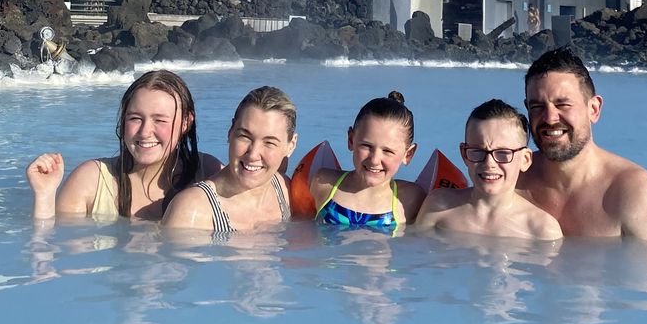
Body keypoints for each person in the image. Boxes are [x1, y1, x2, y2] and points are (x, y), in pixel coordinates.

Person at [518, 47, 647, 244]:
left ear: (594, 109)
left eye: (563, 105)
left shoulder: (635, 193)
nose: (550, 118)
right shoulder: (512, 180)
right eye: (537, 107)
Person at [27, 70, 221, 221]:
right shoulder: (90, 181)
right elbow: (49, 247)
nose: (145, 132)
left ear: (186, 122)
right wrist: (44, 195)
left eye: (160, 120)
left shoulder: (209, 173)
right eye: (135, 118)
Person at [414, 99, 562, 240]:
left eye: (503, 153)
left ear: (525, 159)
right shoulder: (438, 206)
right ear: (464, 154)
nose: (489, 163)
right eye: (477, 151)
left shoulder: (542, 230)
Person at [162, 86, 297, 232]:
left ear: (291, 146)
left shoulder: (287, 192)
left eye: (269, 143)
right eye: (244, 136)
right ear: (230, 132)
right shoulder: (192, 210)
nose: (253, 154)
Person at [308, 91, 426, 232]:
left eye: (387, 151)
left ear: (408, 154)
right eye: (366, 146)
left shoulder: (411, 199)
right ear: (351, 140)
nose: (374, 160)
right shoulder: (323, 183)